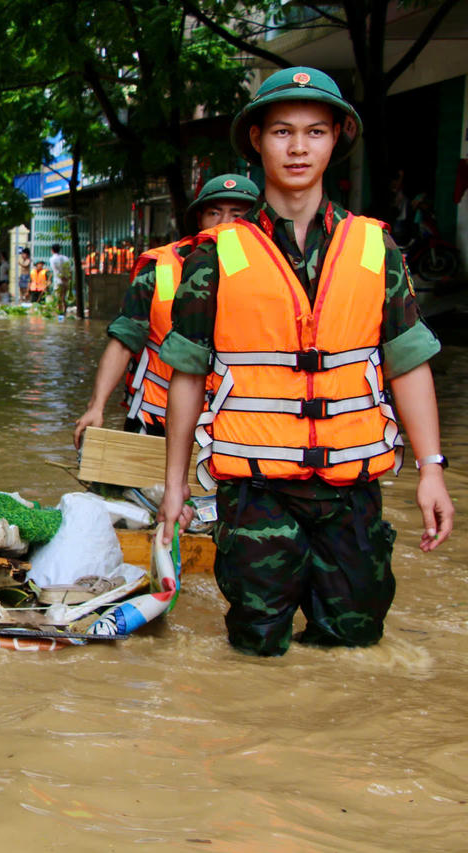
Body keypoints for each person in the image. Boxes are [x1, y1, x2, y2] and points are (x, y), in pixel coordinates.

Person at [158, 67, 453, 656]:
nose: (298, 148)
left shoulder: (375, 246)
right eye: (282, 132)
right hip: (254, 489)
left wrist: (432, 469)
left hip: (353, 489)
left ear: (337, 138)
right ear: (257, 142)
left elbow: (409, 364)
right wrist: (172, 487)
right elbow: (187, 375)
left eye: (315, 132)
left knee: (354, 646)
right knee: (256, 649)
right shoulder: (215, 255)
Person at [72, 174, 259, 448]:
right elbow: (124, 339)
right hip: (156, 422)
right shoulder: (160, 268)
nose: (224, 224)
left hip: (235, 429)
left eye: (237, 214)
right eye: (214, 213)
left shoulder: (272, 276)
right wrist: (96, 406)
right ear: (199, 220)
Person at [48, 244, 74, 315]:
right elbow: (70, 270)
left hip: (58, 280)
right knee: (63, 297)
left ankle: (59, 312)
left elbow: (55, 270)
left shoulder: (52, 259)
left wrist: (61, 277)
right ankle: (64, 311)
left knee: (58, 298)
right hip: (66, 281)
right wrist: (68, 278)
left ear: (52, 250)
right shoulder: (66, 258)